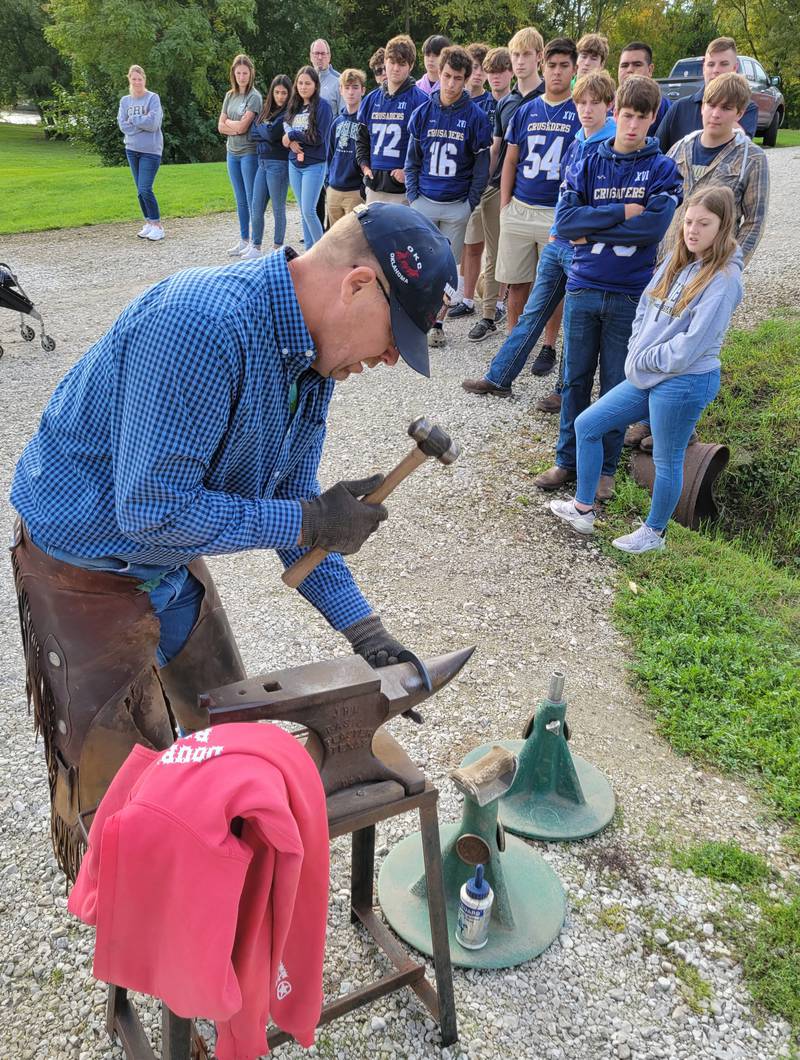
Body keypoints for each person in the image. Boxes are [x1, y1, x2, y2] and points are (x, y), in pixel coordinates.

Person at [10, 201, 458, 876]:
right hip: (84, 557)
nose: (392, 356)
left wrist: (367, 633)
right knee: (120, 788)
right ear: (358, 284)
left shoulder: (310, 368)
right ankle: (130, 904)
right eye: (395, 333)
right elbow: (154, 511)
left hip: (160, 555)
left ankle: (216, 871)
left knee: (228, 734)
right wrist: (309, 521)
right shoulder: (202, 325)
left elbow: (295, 509)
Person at [549, 186, 742, 553]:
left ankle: (654, 534)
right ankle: (583, 509)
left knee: (668, 458)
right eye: (688, 221)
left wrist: (646, 360)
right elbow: (645, 307)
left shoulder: (724, 279)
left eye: (704, 224)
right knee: (588, 424)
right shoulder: (678, 259)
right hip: (648, 371)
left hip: (685, 380)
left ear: (723, 226)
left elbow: (691, 345)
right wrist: (637, 349)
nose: (693, 230)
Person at [534, 75, 683, 501]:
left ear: (654, 118)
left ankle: (605, 471)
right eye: (627, 115)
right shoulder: (588, 160)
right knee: (574, 379)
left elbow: (653, 228)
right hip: (583, 286)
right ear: (615, 113)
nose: (632, 125)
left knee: (616, 385)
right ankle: (566, 460)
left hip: (628, 292)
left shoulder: (661, 169)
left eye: (642, 117)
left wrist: (595, 229)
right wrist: (622, 211)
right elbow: (565, 223)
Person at [626, 72, 769, 454]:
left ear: (739, 113)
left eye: (726, 108)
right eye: (710, 104)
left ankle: (679, 427)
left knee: (692, 345)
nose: (715, 114)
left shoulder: (749, 160)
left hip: (710, 269)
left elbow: (754, 220)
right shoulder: (682, 148)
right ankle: (645, 418)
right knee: (658, 333)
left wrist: (732, 268)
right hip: (669, 261)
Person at [462, 70, 617, 396]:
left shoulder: (611, 146)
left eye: (594, 104)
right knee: (532, 310)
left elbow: (602, 204)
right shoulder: (579, 141)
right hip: (558, 237)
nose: (586, 110)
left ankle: (565, 391)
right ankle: (499, 377)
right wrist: (557, 230)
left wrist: (580, 232)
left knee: (576, 322)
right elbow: (566, 191)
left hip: (583, 246)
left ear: (609, 106)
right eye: (582, 104)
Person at [405, 45, 493, 348]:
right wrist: (413, 196)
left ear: (467, 78)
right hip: (425, 200)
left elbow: (482, 165)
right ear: (438, 74)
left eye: (458, 78)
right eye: (446, 76)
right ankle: (416, 317)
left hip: (456, 204)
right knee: (418, 263)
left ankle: (438, 322)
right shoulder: (422, 112)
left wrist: (470, 202)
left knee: (448, 268)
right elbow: (412, 159)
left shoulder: (477, 117)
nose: (451, 83)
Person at [463, 28, 547, 342]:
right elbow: (496, 148)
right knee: (496, 255)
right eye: (516, 54)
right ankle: (488, 314)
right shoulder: (507, 102)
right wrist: (484, 185)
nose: (521, 61)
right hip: (501, 188)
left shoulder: (548, 96)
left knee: (540, 267)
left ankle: (538, 329)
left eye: (526, 54)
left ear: (539, 57)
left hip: (539, 191)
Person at [496, 37, 581, 334]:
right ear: (543, 66)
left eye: (564, 66)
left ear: (574, 68)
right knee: (516, 282)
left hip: (554, 212)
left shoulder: (580, 111)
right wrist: (505, 206)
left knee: (553, 285)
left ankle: (547, 345)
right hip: (521, 205)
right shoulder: (526, 109)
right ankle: (513, 339)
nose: (557, 72)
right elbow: (510, 160)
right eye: (552, 65)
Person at [447, 46, 515, 326]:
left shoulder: (509, 103)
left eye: (500, 71)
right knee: (471, 244)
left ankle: (498, 301)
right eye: (488, 70)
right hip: (474, 182)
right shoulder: (470, 103)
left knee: (498, 247)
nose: (490, 76)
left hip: (500, 183)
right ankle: (467, 297)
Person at [357, 34, 427, 206]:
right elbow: (361, 139)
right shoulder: (371, 99)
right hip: (375, 187)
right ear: (385, 62)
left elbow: (428, 147)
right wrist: (364, 166)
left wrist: (409, 172)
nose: (395, 68)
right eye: (392, 62)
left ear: (410, 66)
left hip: (404, 190)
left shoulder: (421, 101)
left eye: (402, 64)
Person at [655, 36, 759, 151]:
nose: (716, 70)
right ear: (704, 68)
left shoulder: (746, 107)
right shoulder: (679, 108)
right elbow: (656, 152)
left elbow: (741, 149)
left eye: (723, 64)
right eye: (710, 64)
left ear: (734, 68)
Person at [282, 66, 334, 249]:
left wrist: (293, 136)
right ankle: (309, 251)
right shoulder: (294, 105)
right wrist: (289, 140)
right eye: (300, 83)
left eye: (308, 83)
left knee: (309, 210)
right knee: (303, 212)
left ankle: (322, 252)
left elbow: (318, 138)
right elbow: (286, 127)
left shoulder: (323, 107)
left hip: (314, 164)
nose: (303, 87)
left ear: (315, 85)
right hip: (295, 164)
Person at [219, 54, 262, 257]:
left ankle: (255, 242)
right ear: (233, 74)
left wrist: (232, 125)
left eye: (245, 73)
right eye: (238, 73)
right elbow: (220, 125)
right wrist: (234, 128)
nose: (242, 77)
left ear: (251, 73)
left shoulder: (254, 97)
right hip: (232, 152)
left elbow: (245, 127)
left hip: (248, 153)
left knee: (251, 197)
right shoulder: (230, 96)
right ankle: (243, 238)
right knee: (240, 199)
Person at [118, 65, 164, 242]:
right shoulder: (125, 101)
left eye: (140, 79)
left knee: (145, 188)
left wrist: (134, 120)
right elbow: (123, 125)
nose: (137, 82)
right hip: (131, 149)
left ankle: (158, 225)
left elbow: (153, 125)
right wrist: (141, 123)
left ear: (144, 79)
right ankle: (149, 223)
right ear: (129, 79)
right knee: (139, 191)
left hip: (150, 151)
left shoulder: (153, 98)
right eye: (134, 79)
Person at [248, 74, 292, 257]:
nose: (280, 96)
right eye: (277, 92)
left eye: (284, 93)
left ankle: (277, 247)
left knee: (277, 208)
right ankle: (255, 246)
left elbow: (273, 134)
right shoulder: (267, 111)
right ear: (272, 93)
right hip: (262, 163)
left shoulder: (288, 113)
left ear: (289, 94)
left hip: (278, 164)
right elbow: (253, 133)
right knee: (256, 206)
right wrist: (264, 130)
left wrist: (263, 130)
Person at [326, 69, 366, 225]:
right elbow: (329, 154)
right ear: (340, 90)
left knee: (354, 239)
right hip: (334, 189)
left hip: (355, 191)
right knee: (335, 239)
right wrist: (328, 183)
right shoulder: (337, 122)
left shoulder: (366, 121)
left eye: (355, 87)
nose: (351, 92)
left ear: (363, 90)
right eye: (347, 87)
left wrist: (363, 187)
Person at [618, 42, 670, 136]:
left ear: (650, 70)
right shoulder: (604, 105)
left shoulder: (667, 110)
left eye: (637, 65)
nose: (629, 70)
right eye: (624, 65)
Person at [466, 43, 492, 108]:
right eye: (475, 67)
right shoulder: (453, 99)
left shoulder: (493, 104)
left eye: (483, 69)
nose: (479, 73)